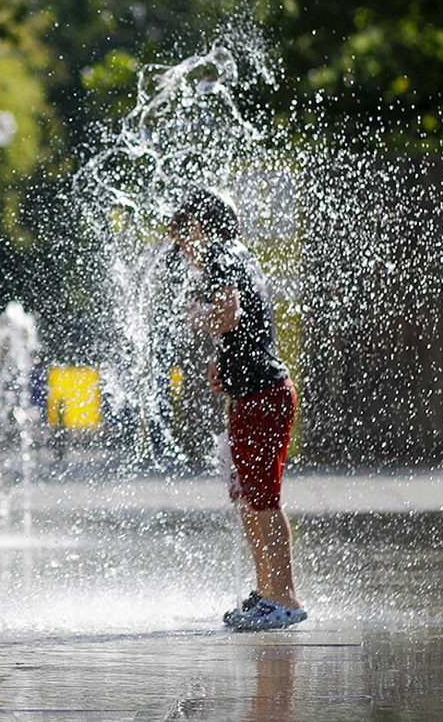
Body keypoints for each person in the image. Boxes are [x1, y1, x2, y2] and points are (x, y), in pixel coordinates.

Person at [168, 188, 306, 631]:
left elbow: (228, 314)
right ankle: (267, 591)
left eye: (183, 238)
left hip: (263, 397)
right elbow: (245, 328)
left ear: (200, 227)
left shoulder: (222, 257)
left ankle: (283, 597)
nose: (182, 250)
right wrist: (223, 366)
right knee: (250, 497)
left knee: (263, 500)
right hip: (254, 394)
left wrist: (195, 316)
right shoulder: (239, 255)